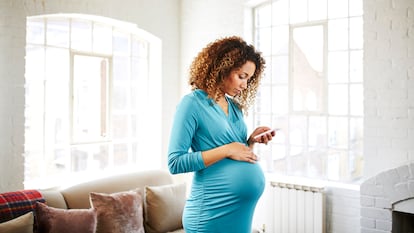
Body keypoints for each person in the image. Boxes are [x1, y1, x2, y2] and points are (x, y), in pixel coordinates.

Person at [168, 36, 275, 233]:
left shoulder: (234, 107)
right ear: (222, 68)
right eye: (241, 76)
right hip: (209, 215)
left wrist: (250, 142)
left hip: (239, 216)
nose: (245, 85)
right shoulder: (191, 104)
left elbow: (235, 155)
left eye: (249, 79)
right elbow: (175, 163)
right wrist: (227, 149)